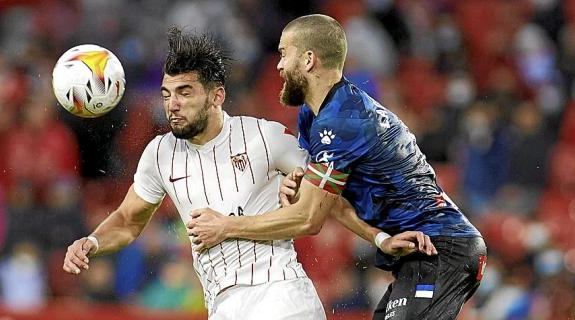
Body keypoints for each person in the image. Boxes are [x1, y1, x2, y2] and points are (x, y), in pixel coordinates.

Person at [63, 27, 433, 320]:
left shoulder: (263, 136)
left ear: (216, 96)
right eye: (166, 94)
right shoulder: (159, 154)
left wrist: (380, 237)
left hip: (280, 294)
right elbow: (129, 220)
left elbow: (326, 199)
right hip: (222, 305)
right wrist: (92, 242)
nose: (172, 105)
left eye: (185, 93)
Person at [187, 14, 486, 320]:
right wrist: (378, 237)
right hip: (418, 253)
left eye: (283, 53)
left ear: (307, 60)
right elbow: (328, 200)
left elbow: (308, 218)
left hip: (442, 248)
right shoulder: (313, 118)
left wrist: (226, 227)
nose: (277, 66)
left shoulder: (343, 120)